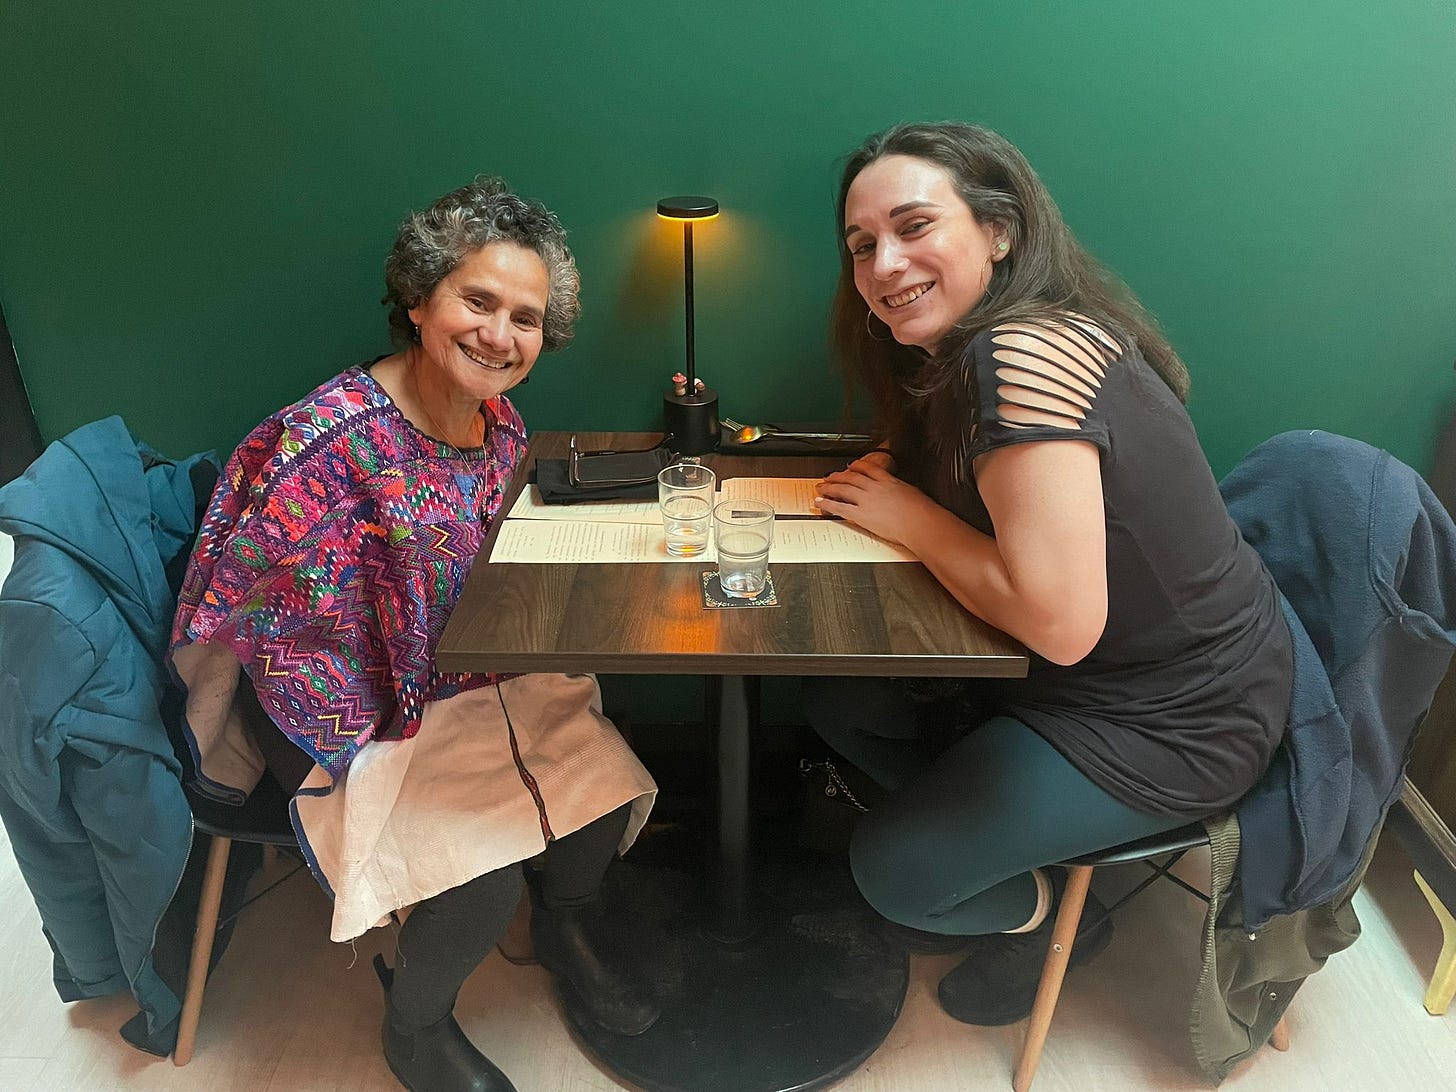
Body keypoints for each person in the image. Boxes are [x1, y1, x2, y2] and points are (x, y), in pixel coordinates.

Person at [170, 177, 658, 1092]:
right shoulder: (329, 443)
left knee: (597, 785)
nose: (500, 335)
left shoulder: (497, 422)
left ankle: (566, 929)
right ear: (420, 298)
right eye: (478, 301)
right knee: (479, 881)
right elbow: (258, 624)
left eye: (525, 318)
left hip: (454, 672)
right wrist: (405, 718)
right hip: (328, 705)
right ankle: (415, 1025)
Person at [805, 123, 1294, 1027]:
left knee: (895, 874)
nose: (884, 264)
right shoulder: (978, 349)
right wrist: (905, 481)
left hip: (1174, 715)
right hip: (1074, 678)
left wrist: (909, 518)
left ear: (999, 231)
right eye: (862, 244)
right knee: (842, 699)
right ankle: (999, 842)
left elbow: (1061, 624)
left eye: (914, 226)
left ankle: (1052, 922)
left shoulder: (1024, 352)